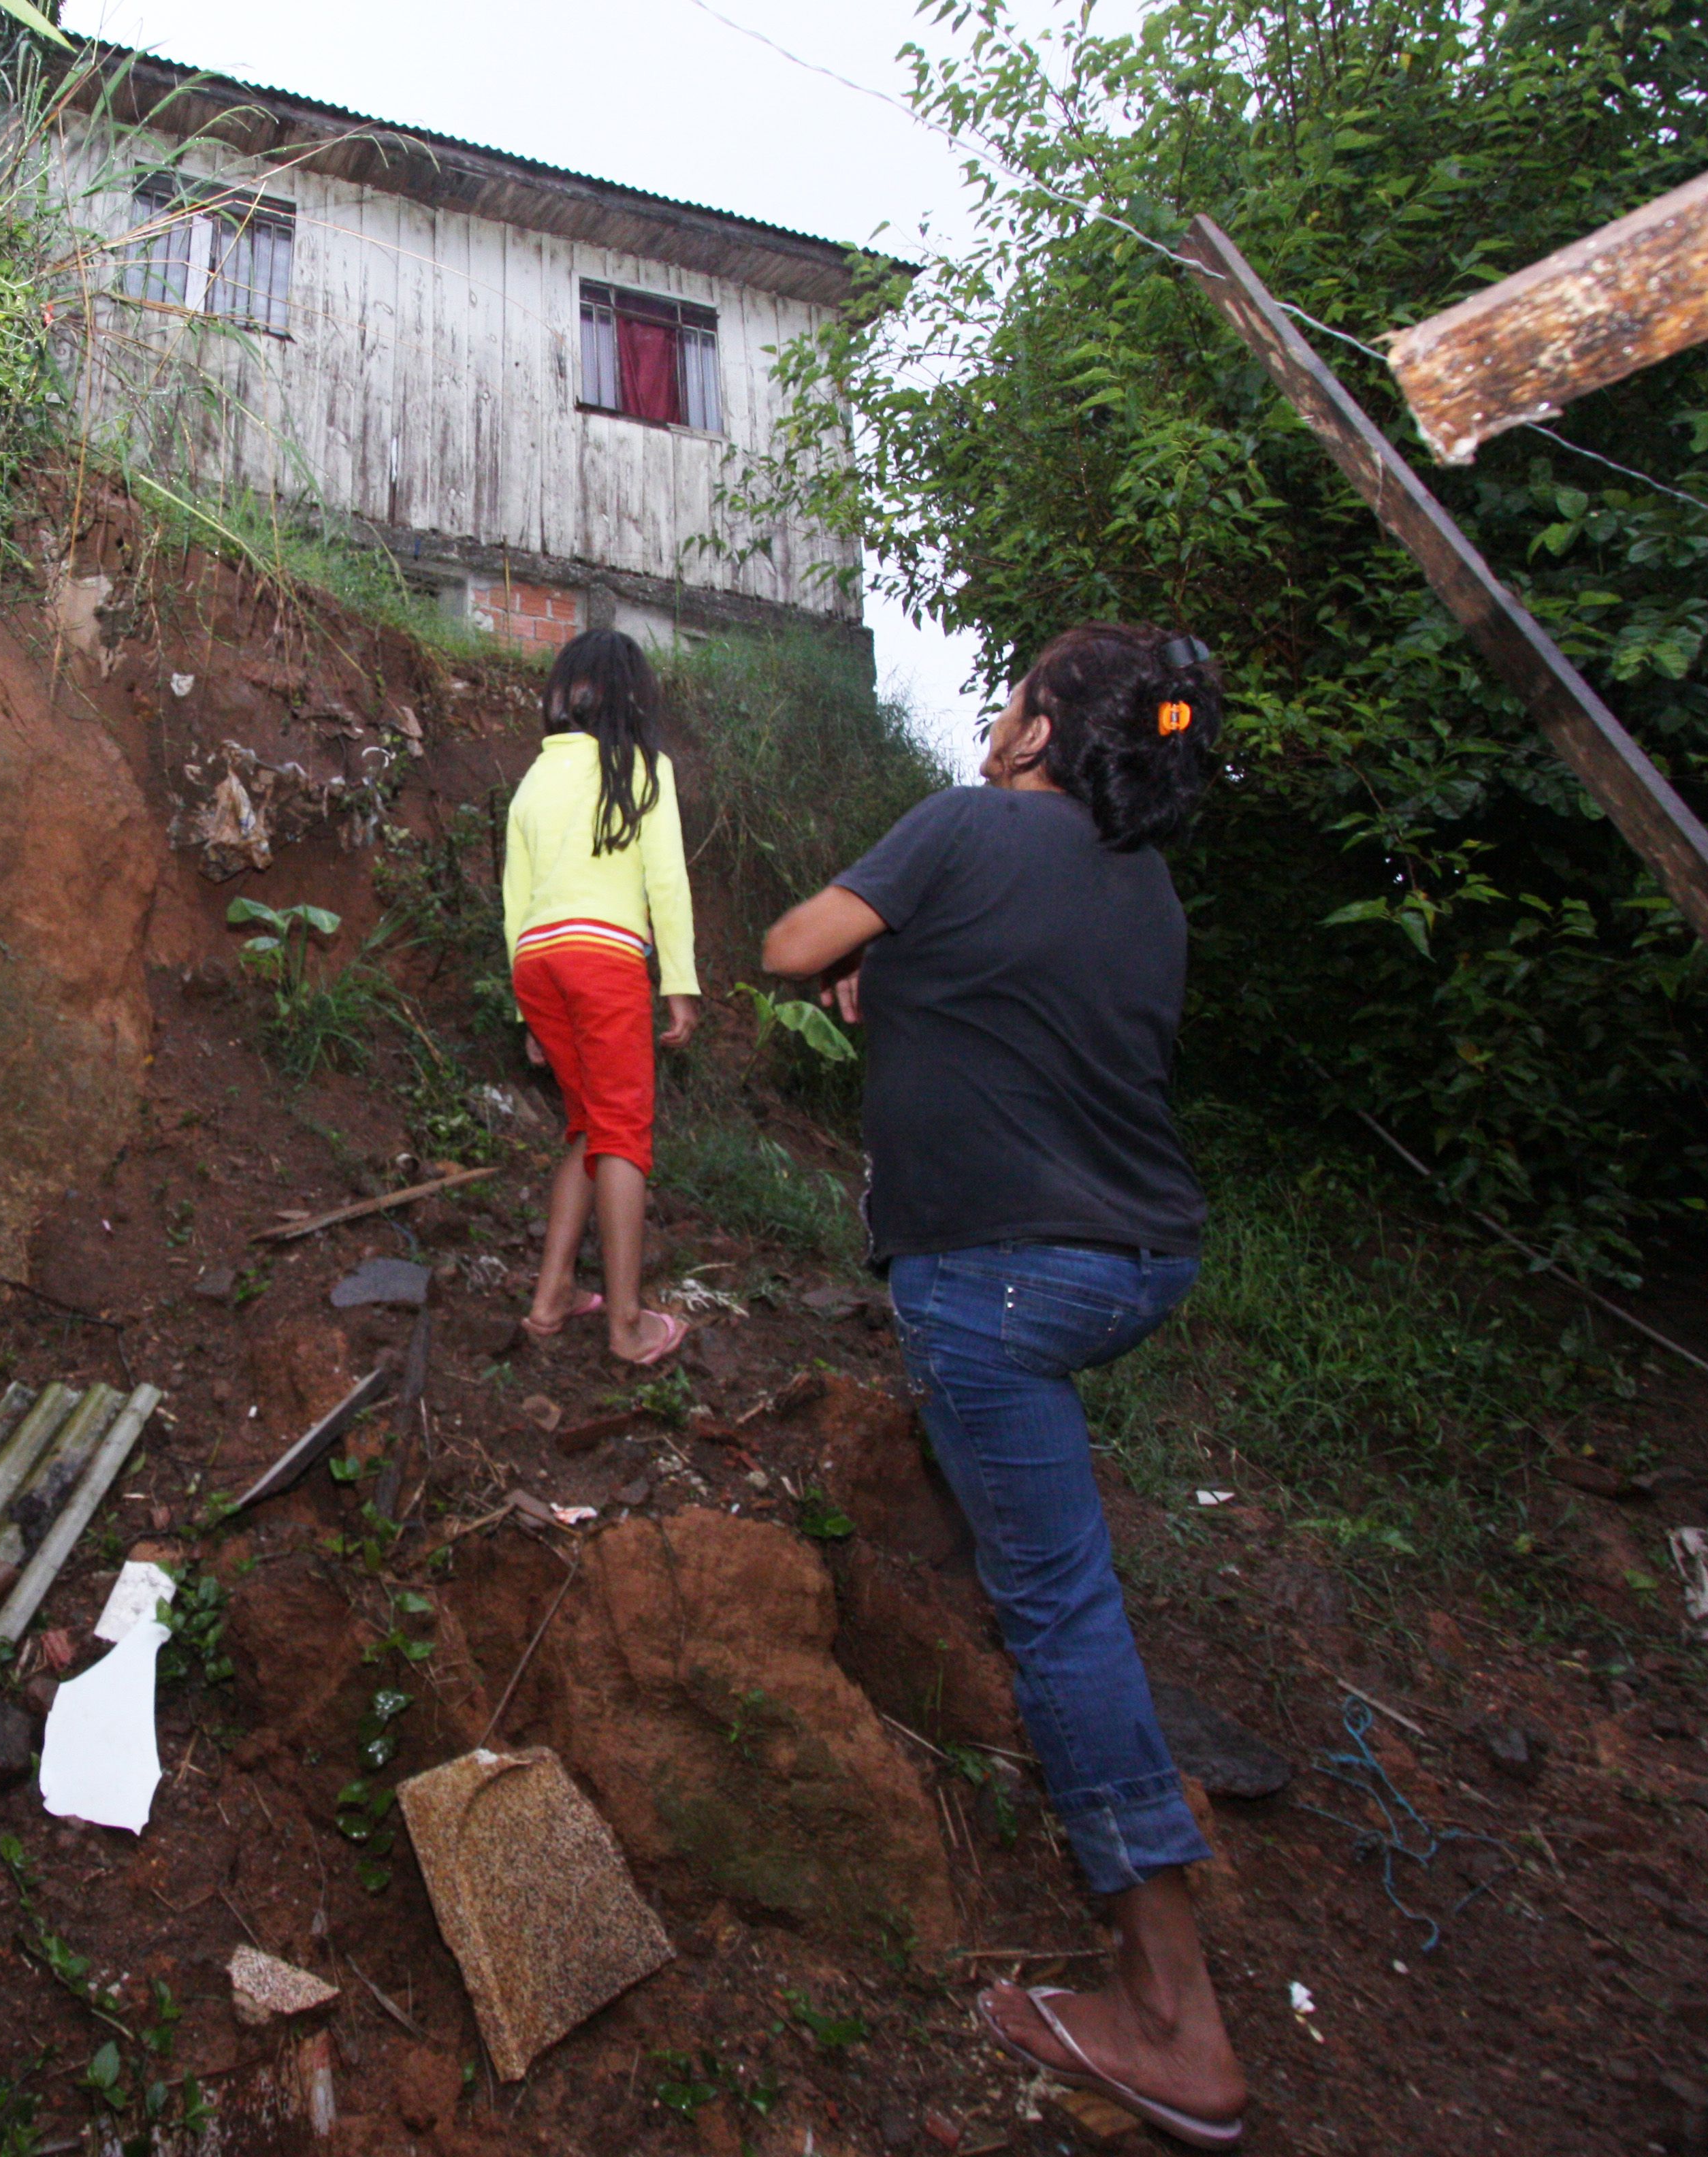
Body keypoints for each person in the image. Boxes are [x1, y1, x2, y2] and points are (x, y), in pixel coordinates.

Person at [760, 623, 1246, 2149]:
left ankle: (1171, 2014)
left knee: (1060, 1604)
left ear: (1043, 729)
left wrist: (863, 952)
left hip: (999, 1277)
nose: (998, 708)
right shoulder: (1145, 885)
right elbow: (1022, 1010)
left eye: (1018, 688)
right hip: (1138, 1260)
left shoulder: (968, 824)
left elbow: (789, 944)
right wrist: (899, 975)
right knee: (1045, 1549)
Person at [502, 628, 700, 1366]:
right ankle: (626, 1326)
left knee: (587, 1127)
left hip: (538, 962)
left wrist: (526, 1013)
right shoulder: (643, 768)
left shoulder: (534, 778)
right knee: (623, 1133)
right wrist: (678, 982)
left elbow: (515, 900)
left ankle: (552, 1296)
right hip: (604, 959)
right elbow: (666, 882)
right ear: (635, 701)